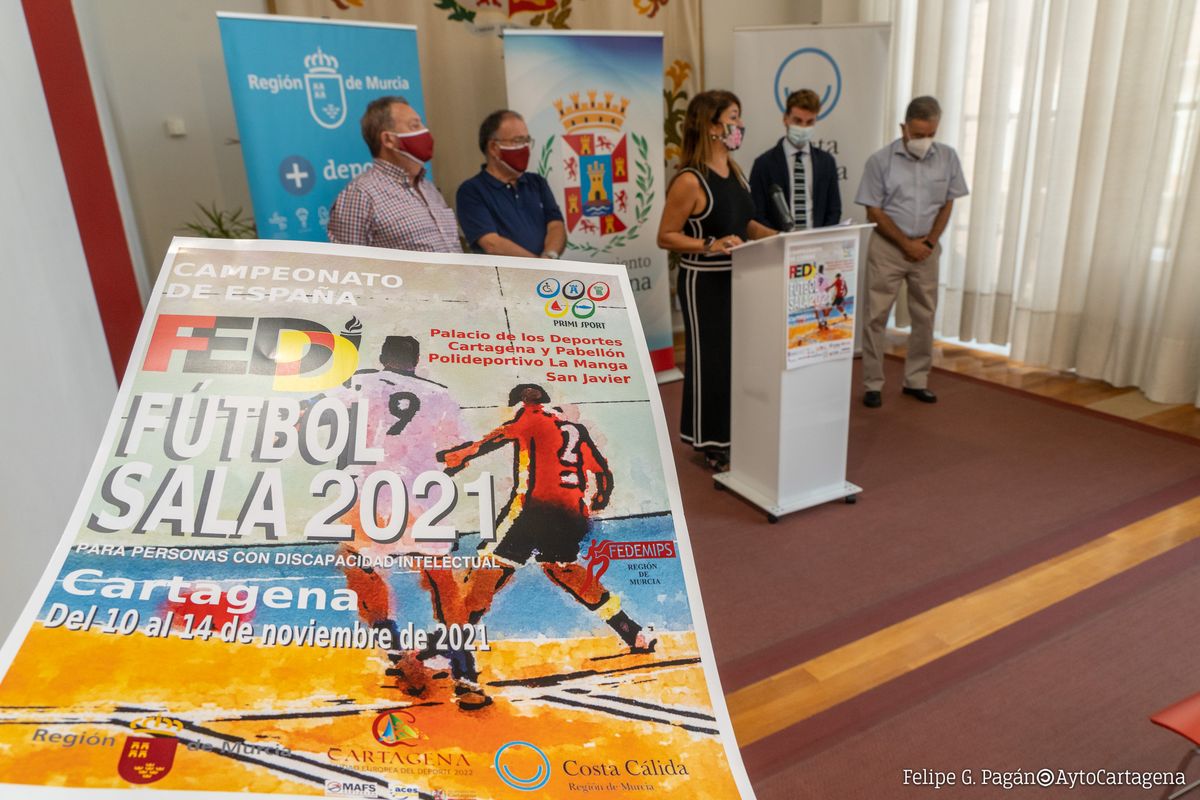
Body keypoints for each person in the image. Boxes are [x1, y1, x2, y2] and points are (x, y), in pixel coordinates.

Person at [434, 384, 656, 709]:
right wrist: (599, 498)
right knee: (564, 570)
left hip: (532, 510)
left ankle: (451, 647)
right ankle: (632, 631)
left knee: (488, 570)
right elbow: (602, 473)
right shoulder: (574, 430)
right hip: (572, 514)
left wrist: (459, 457)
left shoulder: (530, 418)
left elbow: (493, 440)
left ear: (524, 403)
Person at [314, 335, 485, 708]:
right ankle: (466, 676)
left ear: (382, 357)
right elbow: (461, 452)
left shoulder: (360, 383)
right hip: (425, 495)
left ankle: (398, 656)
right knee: (442, 583)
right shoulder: (440, 394)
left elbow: (315, 422)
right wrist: (438, 468)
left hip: (371, 492)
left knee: (360, 570)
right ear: (416, 360)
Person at [656, 90, 775, 472]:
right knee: (711, 360)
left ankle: (733, 431)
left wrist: (775, 236)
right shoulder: (690, 180)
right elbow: (665, 236)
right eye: (733, 117)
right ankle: (710, 441)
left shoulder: (736, 171)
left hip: (741, 277)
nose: (739, 125)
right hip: (703, 281)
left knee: (737, 358)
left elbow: (744, 224)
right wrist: (709, 244)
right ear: (711, 125)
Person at [856, 96, 969, 408]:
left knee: (924, 315)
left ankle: (916, 380)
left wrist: (929, 243)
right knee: (875, 317)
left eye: (930, 134)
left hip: (927, 248)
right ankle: (873, 384)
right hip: (888, 247)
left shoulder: (947, 157)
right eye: (918, 135)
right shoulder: (880, 161)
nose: (924, 141)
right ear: (904, 128)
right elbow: (873, 209)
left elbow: (948, 202)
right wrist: (906, 244)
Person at [327, 96, 462, 252]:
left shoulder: (428, 188)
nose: (425, 131)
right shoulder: (360, 195)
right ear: (388, 140)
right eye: (414, 126)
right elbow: (347, 267)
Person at [456, 110, 566, 258]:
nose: (525, 147)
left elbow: (556, 225)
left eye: (527, 140)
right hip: (503, 278)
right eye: (518, 141)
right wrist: (538, 266)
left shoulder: (537, 182)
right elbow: (491, 243)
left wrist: (549, 256)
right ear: (494, 148)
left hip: (546, 275)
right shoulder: (471, 191)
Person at [749, 88, 842, 231]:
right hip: (778, 245)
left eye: (809, 122)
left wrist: (821, 239)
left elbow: (834, 209)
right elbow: (757, 212)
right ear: (785, 119)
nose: (803, 127)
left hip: (816, 245)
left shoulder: (826, 162)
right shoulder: (764, 164)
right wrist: (777, 238)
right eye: (797, 121)